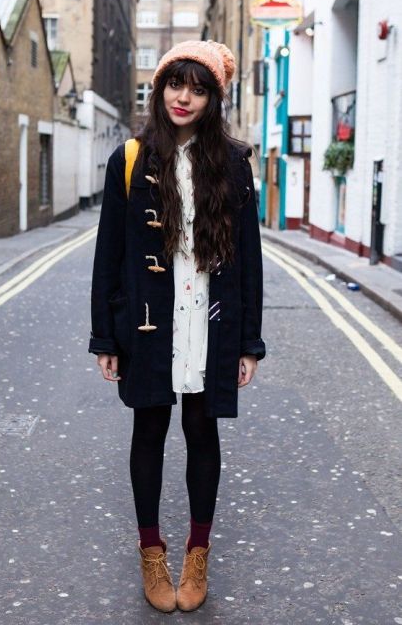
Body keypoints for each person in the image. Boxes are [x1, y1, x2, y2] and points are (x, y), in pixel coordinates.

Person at [88, 40, 266, 613]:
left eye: (198, 88)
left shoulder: (234, 165)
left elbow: (250, 260)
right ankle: (150, 551)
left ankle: (197, 551)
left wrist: (250, 344)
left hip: (210, 325)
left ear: (214, 98)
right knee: (148, 433)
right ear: (160, 86)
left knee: (202, 432)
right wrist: (104, 337)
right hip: (149, 326)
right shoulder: (133, 159)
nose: (183, 97)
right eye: (174, 84)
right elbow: (109, 256)